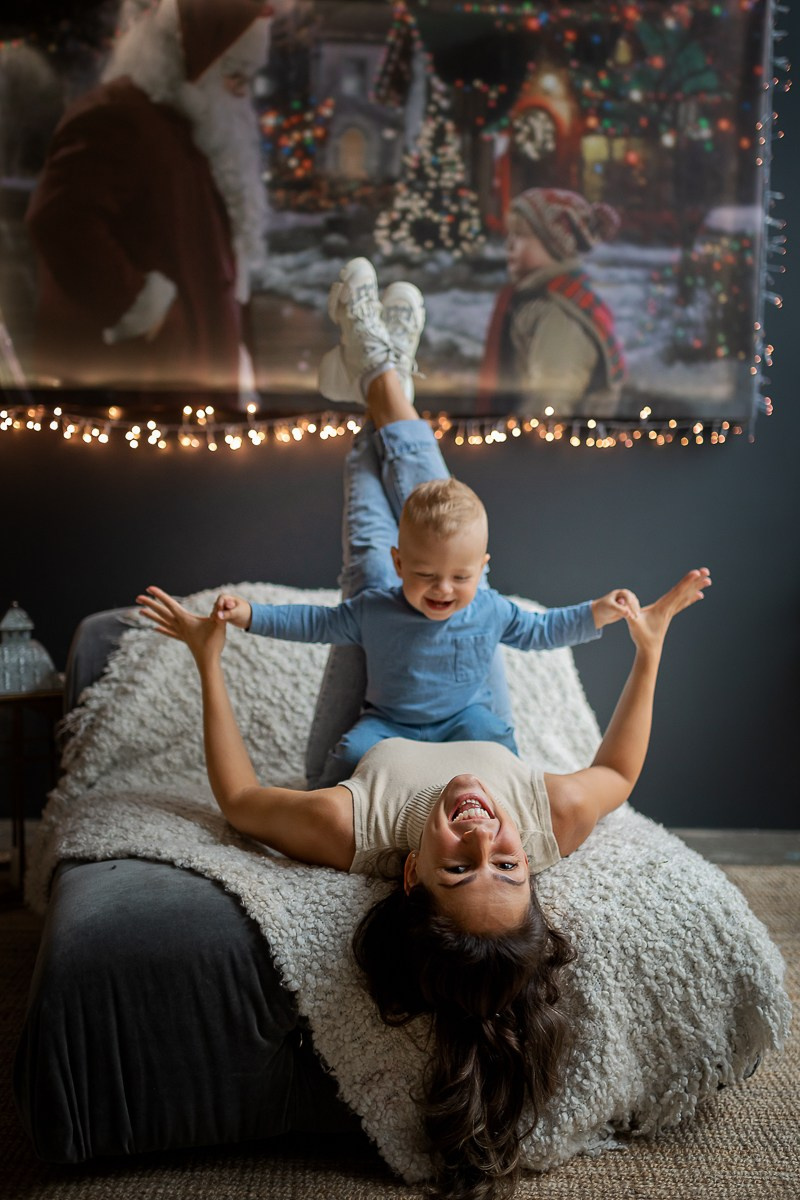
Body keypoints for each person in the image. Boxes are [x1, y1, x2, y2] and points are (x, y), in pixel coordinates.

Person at [136, 346, 711, 1200]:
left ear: (410, 873)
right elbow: (618, 770)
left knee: (374, 577)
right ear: (531, 860)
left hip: (368, 724)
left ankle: (379, 389)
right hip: (462, 686)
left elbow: (241, 801)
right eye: (506, 862)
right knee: (437, 573)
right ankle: (383, 386)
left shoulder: (355, 833)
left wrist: (208, 660)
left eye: (457, 863)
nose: (483, 833)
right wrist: (648, 652)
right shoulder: (546, 815)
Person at [210, 258, 640, 785]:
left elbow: (543, 630)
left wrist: (596, 613)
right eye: (424, 575)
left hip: (463, 721)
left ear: (484, 567)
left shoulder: (487, 605)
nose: (443, 589)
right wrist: (250, 613)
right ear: (399, 562)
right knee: (339, 766)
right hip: (390, 722)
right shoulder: (376, 605)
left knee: (501, 751)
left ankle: (377, 372)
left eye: (461, 576)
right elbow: (311, 622)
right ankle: (384, 375)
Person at [25, 0, 289, 396]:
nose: (243, 95)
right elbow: (59, 219)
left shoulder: (195, 128)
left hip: (192, 378)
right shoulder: (118, 116)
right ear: (197, 67)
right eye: (234, 76)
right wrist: (140, 303)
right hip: (142, 384)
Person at [478, 187, 626, 419]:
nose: (509, 245)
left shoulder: (559, 315)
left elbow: (549, 405)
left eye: (522, 235)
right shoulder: (534, 300)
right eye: (510, 234)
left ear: (556, 244)